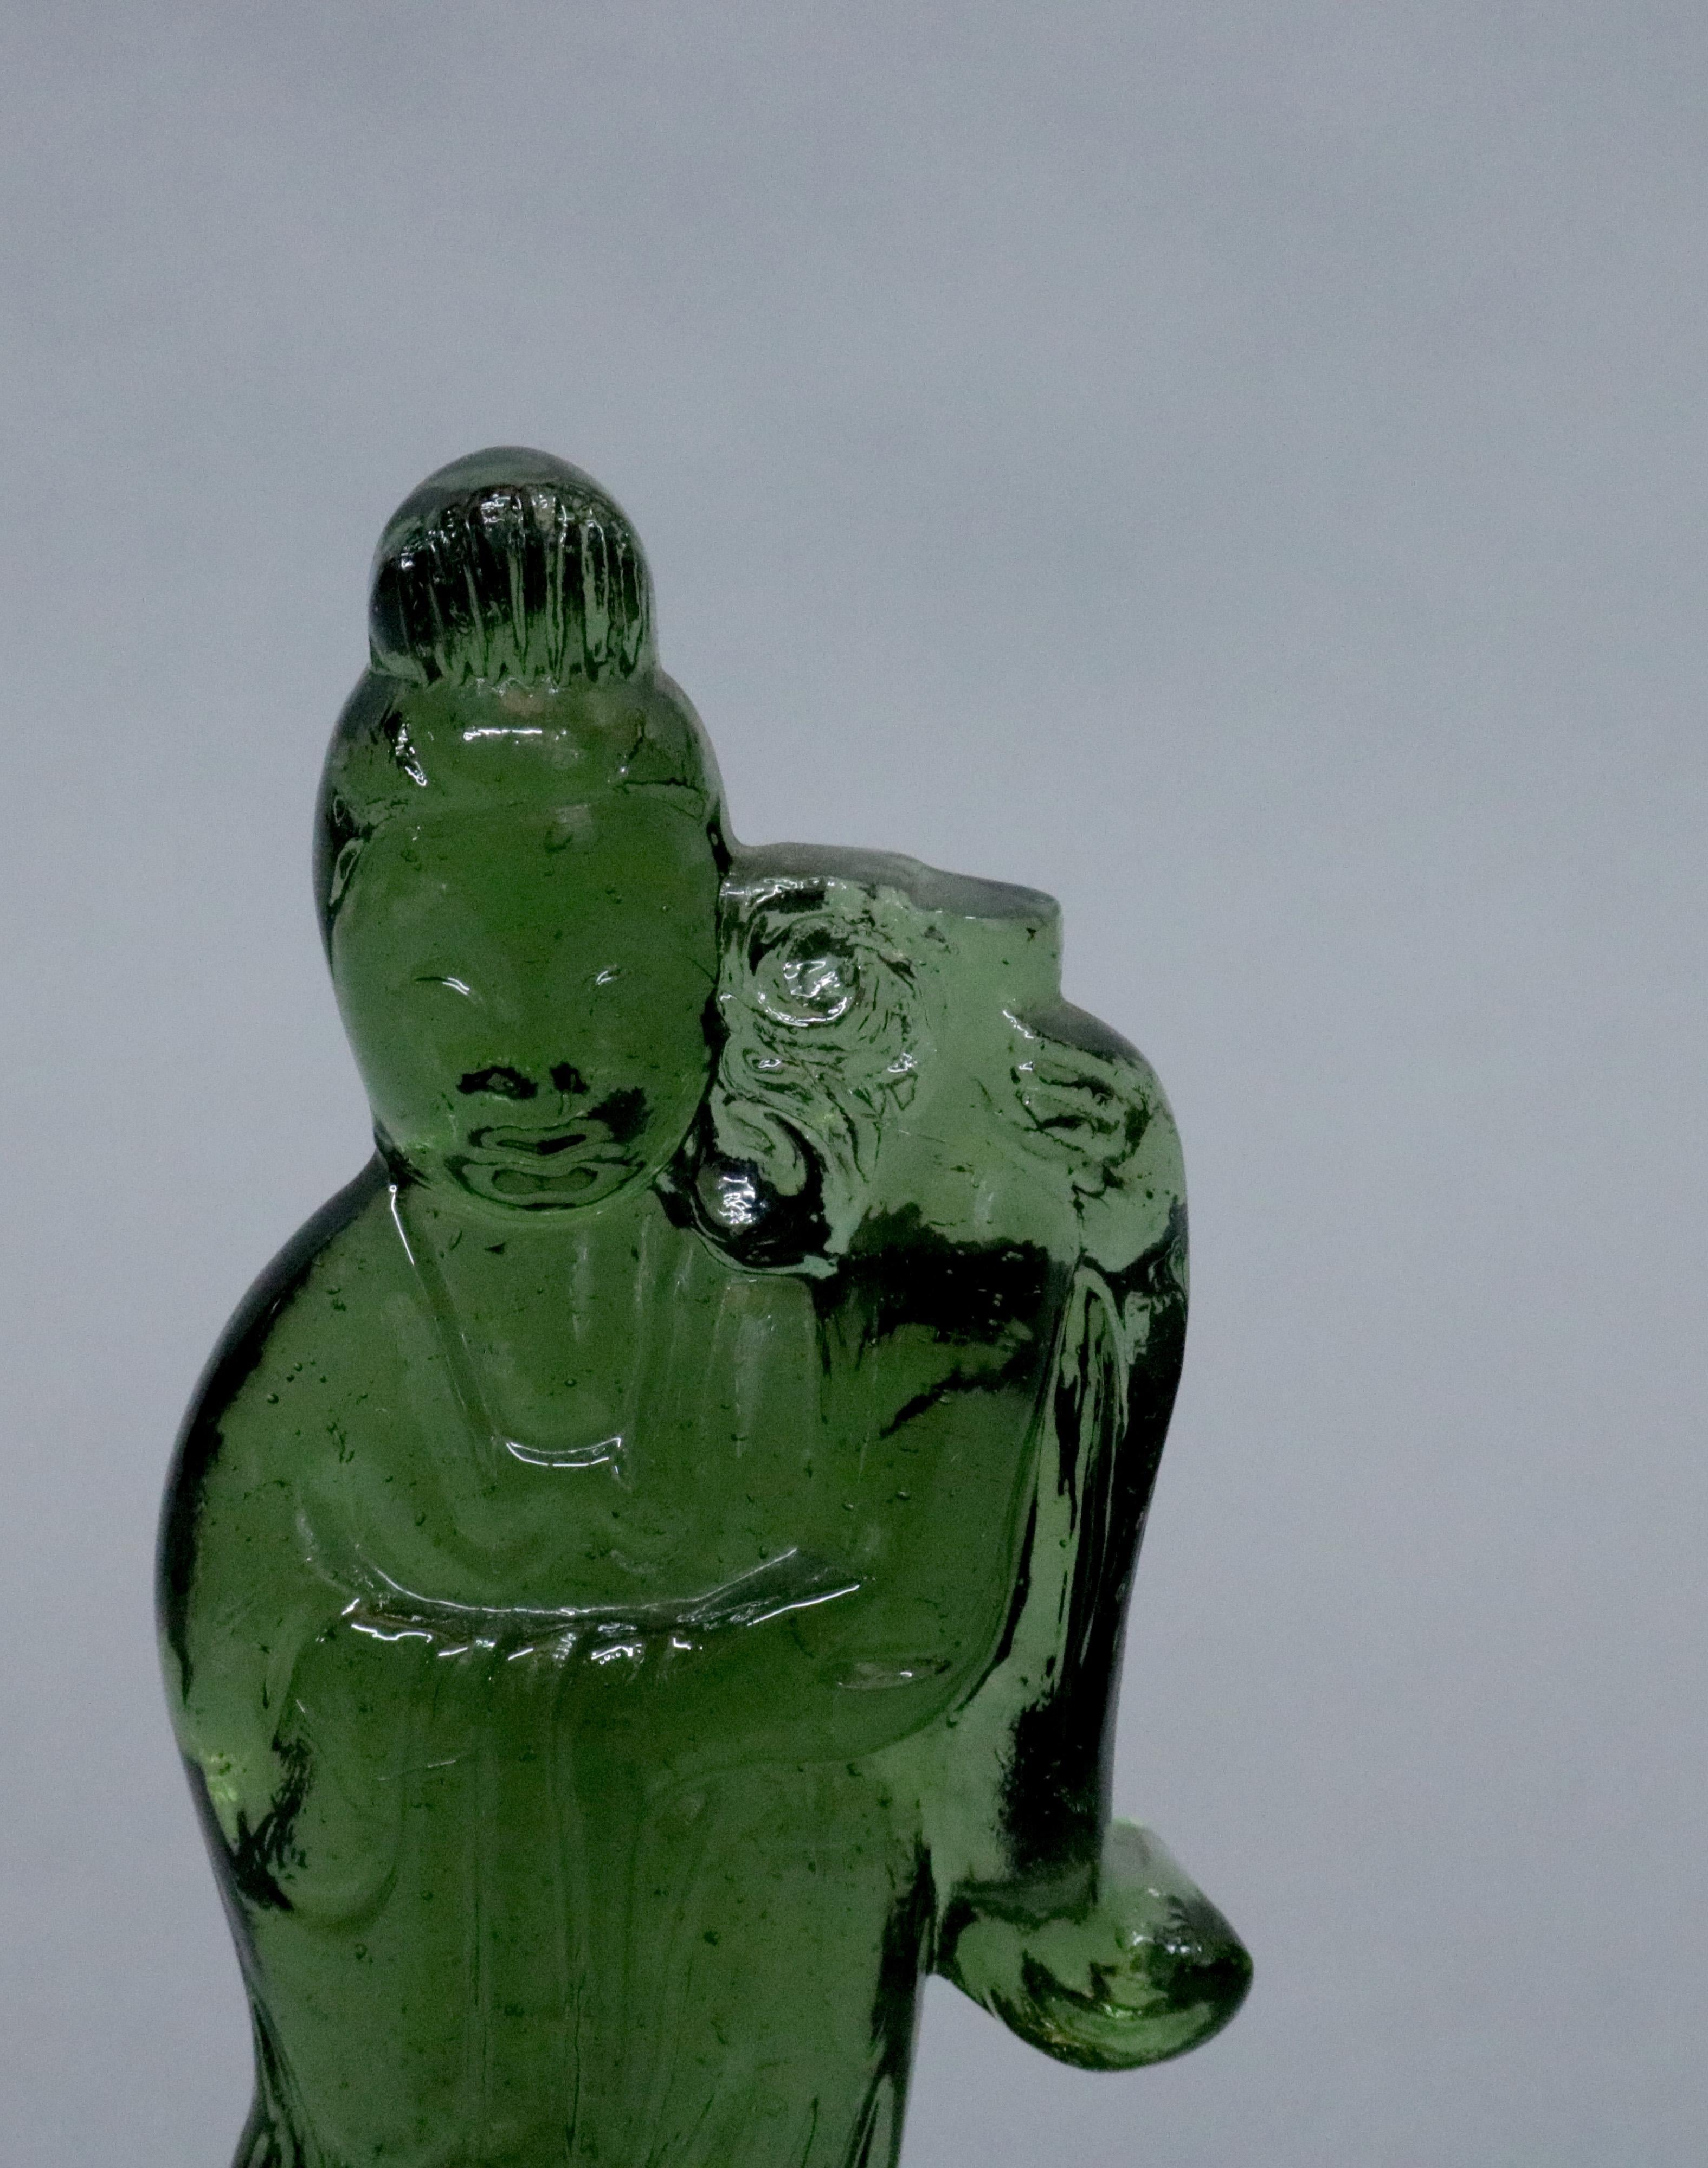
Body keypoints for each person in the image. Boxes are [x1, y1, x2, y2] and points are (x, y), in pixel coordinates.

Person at [160, 449, 1249, 2168]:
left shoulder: (800, 1294)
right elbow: (257, 1718)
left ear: (710, 963)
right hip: (446, 2042)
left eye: (607, 981)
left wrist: (1014, 1267)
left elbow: (920, 1623)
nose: (531, 1063)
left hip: (758, 1984)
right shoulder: (333, 1352)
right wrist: (640, 1707)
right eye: (446, 990)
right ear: (346, 976)